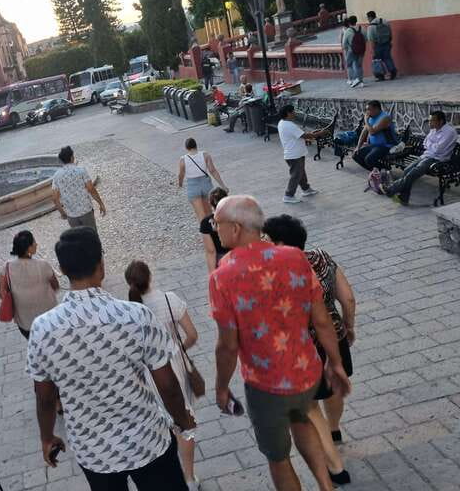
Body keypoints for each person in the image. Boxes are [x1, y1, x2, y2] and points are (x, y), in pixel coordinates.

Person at [27, 227, 196, 490]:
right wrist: (182, 420)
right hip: (147, 440)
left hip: (94, 451)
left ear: (61, 270)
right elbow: (168, 387)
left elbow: (45, 396)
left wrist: (47, 436)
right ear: (101, 265)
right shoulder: (136, 316)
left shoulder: (42, 329)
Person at [209, 196, 351, 491]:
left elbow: (228, 345)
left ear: (235, 228)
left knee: (277, 456)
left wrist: (221, 386)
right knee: (302, 420)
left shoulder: (223, 277)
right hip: (307, 370)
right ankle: (327, 486)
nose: (215, 229)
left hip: (266, 383)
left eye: (217, 223)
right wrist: (335, 362)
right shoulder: (294, 258)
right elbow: (323, 320)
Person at [263, 215, 358, 487]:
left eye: (267, 240)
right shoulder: (322, 258)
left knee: (310, 406)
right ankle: (335, 429)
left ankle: (336, 467)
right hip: (335, 335)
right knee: (336, 387)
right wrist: (348, 327)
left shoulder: (277, 274)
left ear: (280, 244)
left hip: (305, 347)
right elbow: (348, 298)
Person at [126, 260, 201, 490]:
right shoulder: (170, 300)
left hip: (148, 375)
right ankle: (189, 478)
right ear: (151, 276)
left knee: (162, 423)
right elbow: (192, 335)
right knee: (185, 424)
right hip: (174, 368)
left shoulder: (131, 310)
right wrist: (178, 350)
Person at [384, 110, 458, 205]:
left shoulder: (449, 132)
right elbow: (425, 143)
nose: (430, 123)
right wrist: (432, 145)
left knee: (413, 173)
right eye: (429, 120)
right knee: (407, 170)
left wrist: (430, 145)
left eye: (432, 120)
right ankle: (404, 197)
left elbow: (438, 150)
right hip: (427, 155)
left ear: (441, 121)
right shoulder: (434, 129)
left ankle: (391, 189)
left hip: (438, 160)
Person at [0, 230, 59, 339]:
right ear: (29, 248)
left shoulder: (7, 267)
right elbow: (56, 286)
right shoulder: (43, 265)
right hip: (49, 319)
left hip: (25, 322)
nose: (36, 244)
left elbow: (2, 292)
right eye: (34, 242)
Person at [277, 104, 329, 204]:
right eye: (293, 111)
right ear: (288, 113)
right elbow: (304, 135)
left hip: (295, 153)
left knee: (300, 172)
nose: (294, 113)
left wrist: (313, 134)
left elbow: (300, 135)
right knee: (296, 175)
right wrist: (319, 134)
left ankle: (306, 189)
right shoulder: (289, 125)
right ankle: (288, 195)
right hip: (294, 154)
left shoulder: (282, 123)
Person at [52, 146, 106, 230]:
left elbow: (55, 198)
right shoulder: (81, 171)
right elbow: (91, 189)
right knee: (92, 237)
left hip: (71, 215)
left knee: (79, 240)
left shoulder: (56, 176)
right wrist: (101, 203)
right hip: (86, 211)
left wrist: (62, 213)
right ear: (72, 157)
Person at [177, 137, 229, 220]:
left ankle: (205, 231)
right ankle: (213, 231)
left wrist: (180, 184)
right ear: (196, 145)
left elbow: (181, 175)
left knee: (201, 217)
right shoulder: (205, 155)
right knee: (210, 214)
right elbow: (213, 171)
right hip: (206, 185)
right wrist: (223, 185)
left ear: (186, 148)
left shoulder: (183, 159)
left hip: (193, 186)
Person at [352, 100, 398, 171]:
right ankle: (377, 172)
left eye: (369, 109)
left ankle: (385, 170)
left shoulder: (385, 118)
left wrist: (366, 121)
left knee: (369, 159)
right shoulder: (371, 118)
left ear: (376, 109)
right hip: (374, 146)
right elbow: (364, 132)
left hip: (386, 146)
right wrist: (358, 147)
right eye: (366, 109)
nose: (367, 112)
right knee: (356, 155)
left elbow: (372, 132)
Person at [201, 187, 229, 273]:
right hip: (237, 255)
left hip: (220, 258)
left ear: (210, 203)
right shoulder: (236, 216)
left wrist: (212, 274)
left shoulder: (206, 222)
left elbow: (211, 251)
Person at [366, 10, 397, 81]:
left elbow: (371, 39)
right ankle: (393, 72)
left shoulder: (371, 27)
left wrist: (372, 49)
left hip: (378, 45)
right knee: (387, 57)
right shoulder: (384, 21)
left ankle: (380, 75)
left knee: (376, 60)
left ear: (370, 17)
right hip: (387, 42)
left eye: (368, 18)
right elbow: (390, 32)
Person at [342, 16, 367, 88]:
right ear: (356, 21)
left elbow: (344, 44)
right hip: (361, 50)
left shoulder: (348, 31)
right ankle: (361, 81)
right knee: (359, 65)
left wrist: (347, 48)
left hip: (351, 50)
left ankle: (353, 80)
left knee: (349, 65)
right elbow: (366, 38)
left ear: (349, 22)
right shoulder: (362, 28)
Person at [340, 20, 352, 85]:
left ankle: (350, 79)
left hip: (346, 49)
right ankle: (357, 78)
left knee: (348, 64)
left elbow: (340, 40)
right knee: (355, 63)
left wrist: (342, 47)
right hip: (353, 48)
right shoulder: (351, 29)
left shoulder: (343, 30)